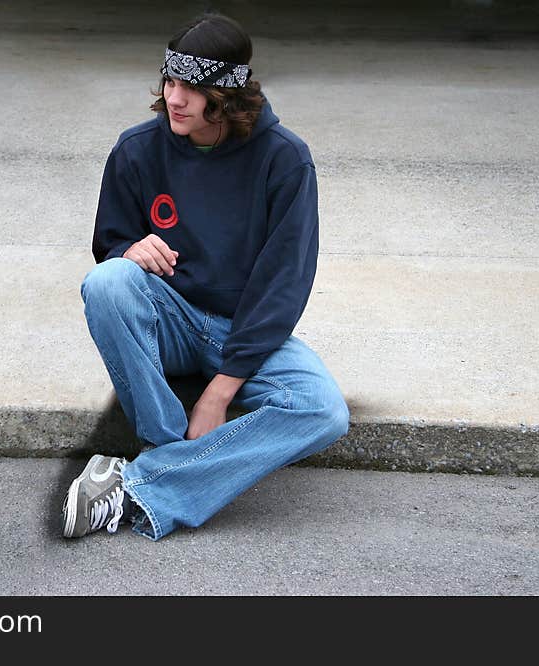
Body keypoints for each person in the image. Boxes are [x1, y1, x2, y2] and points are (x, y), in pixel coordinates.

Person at [60, 12, 350, 542]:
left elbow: (282, 284)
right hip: (168, 318)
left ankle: (139, 482)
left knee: (323, 410)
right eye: (171, 81)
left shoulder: (285, 160)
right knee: (107, 283)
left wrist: (219, 392)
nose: (176, 97)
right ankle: (167, 447)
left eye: (193, 87)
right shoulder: (136, 149)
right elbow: (110, 243)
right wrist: (130, 249)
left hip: (243, 331)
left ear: (228, 95)